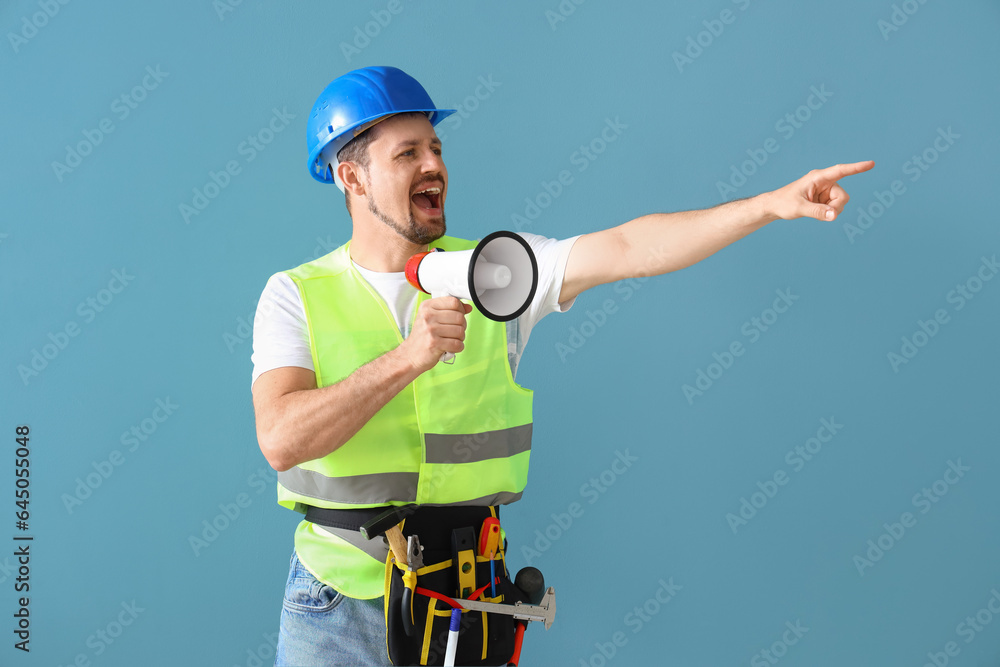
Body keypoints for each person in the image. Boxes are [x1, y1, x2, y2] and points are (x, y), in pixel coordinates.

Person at [251, 66, 873, 666]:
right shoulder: (295, 295)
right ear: (351, 177)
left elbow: (630, 247)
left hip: (462, 603)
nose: (435, 164)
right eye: (407, 153)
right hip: (337, 604)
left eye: (436, 147)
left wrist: (768, 205)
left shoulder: (496, 272)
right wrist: (409, 358)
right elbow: (282, 440)